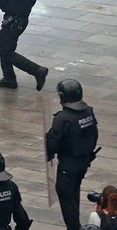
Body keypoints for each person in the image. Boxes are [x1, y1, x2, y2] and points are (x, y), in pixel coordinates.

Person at [46, 79, 99, 230]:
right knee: (74, 191)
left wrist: (49, 151)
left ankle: (74, 227)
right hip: (84, 160)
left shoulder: (62, 118)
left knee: (65, 194)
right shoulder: (88, 111)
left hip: (68, 163)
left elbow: (53, 142)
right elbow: (94, 135)